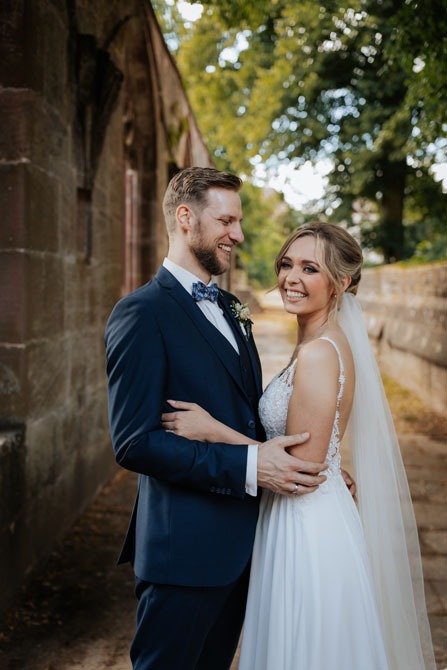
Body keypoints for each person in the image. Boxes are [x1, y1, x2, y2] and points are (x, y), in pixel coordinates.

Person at [105, 169, 355, 670]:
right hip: (185, 554)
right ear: (184, 218)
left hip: (249, 548)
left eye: (237, 222)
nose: (238, 235)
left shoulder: (231, 308)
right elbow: (135, 444)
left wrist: (313, 456)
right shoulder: (141, 313)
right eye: (227, 221)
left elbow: (252, 417)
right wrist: (250, 464)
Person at [163, 222, 436, 669]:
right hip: (303, 516)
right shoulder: (314, 343)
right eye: (287, 264)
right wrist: (331, 462)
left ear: (340, 283)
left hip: (306, 529)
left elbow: (298, 472)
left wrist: (213, 429)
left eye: (310, 268)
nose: (291, 277)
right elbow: (314, 449)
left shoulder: (318, 353)